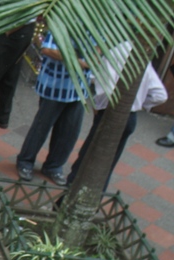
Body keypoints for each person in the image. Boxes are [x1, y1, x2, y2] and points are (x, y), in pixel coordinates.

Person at [66, 42, 167, 189]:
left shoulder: (111, 52)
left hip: (109, 113)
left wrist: (98, 104)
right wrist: (138, 103)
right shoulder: (141, 57)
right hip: (129, 117)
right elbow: (160, 95)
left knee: (87, 159)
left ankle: (67, 200)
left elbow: (100, 83)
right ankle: (94, 201)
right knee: (107, 163)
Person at [15, 32, 90, 186]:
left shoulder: (96, 28)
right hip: (54, 86)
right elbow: (48, 50)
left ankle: (54, 166)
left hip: (78, 90)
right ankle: (25, 162)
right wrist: (78, 61)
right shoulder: (63, 23)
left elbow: (96, 55)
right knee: (41, 127)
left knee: (70, 131)